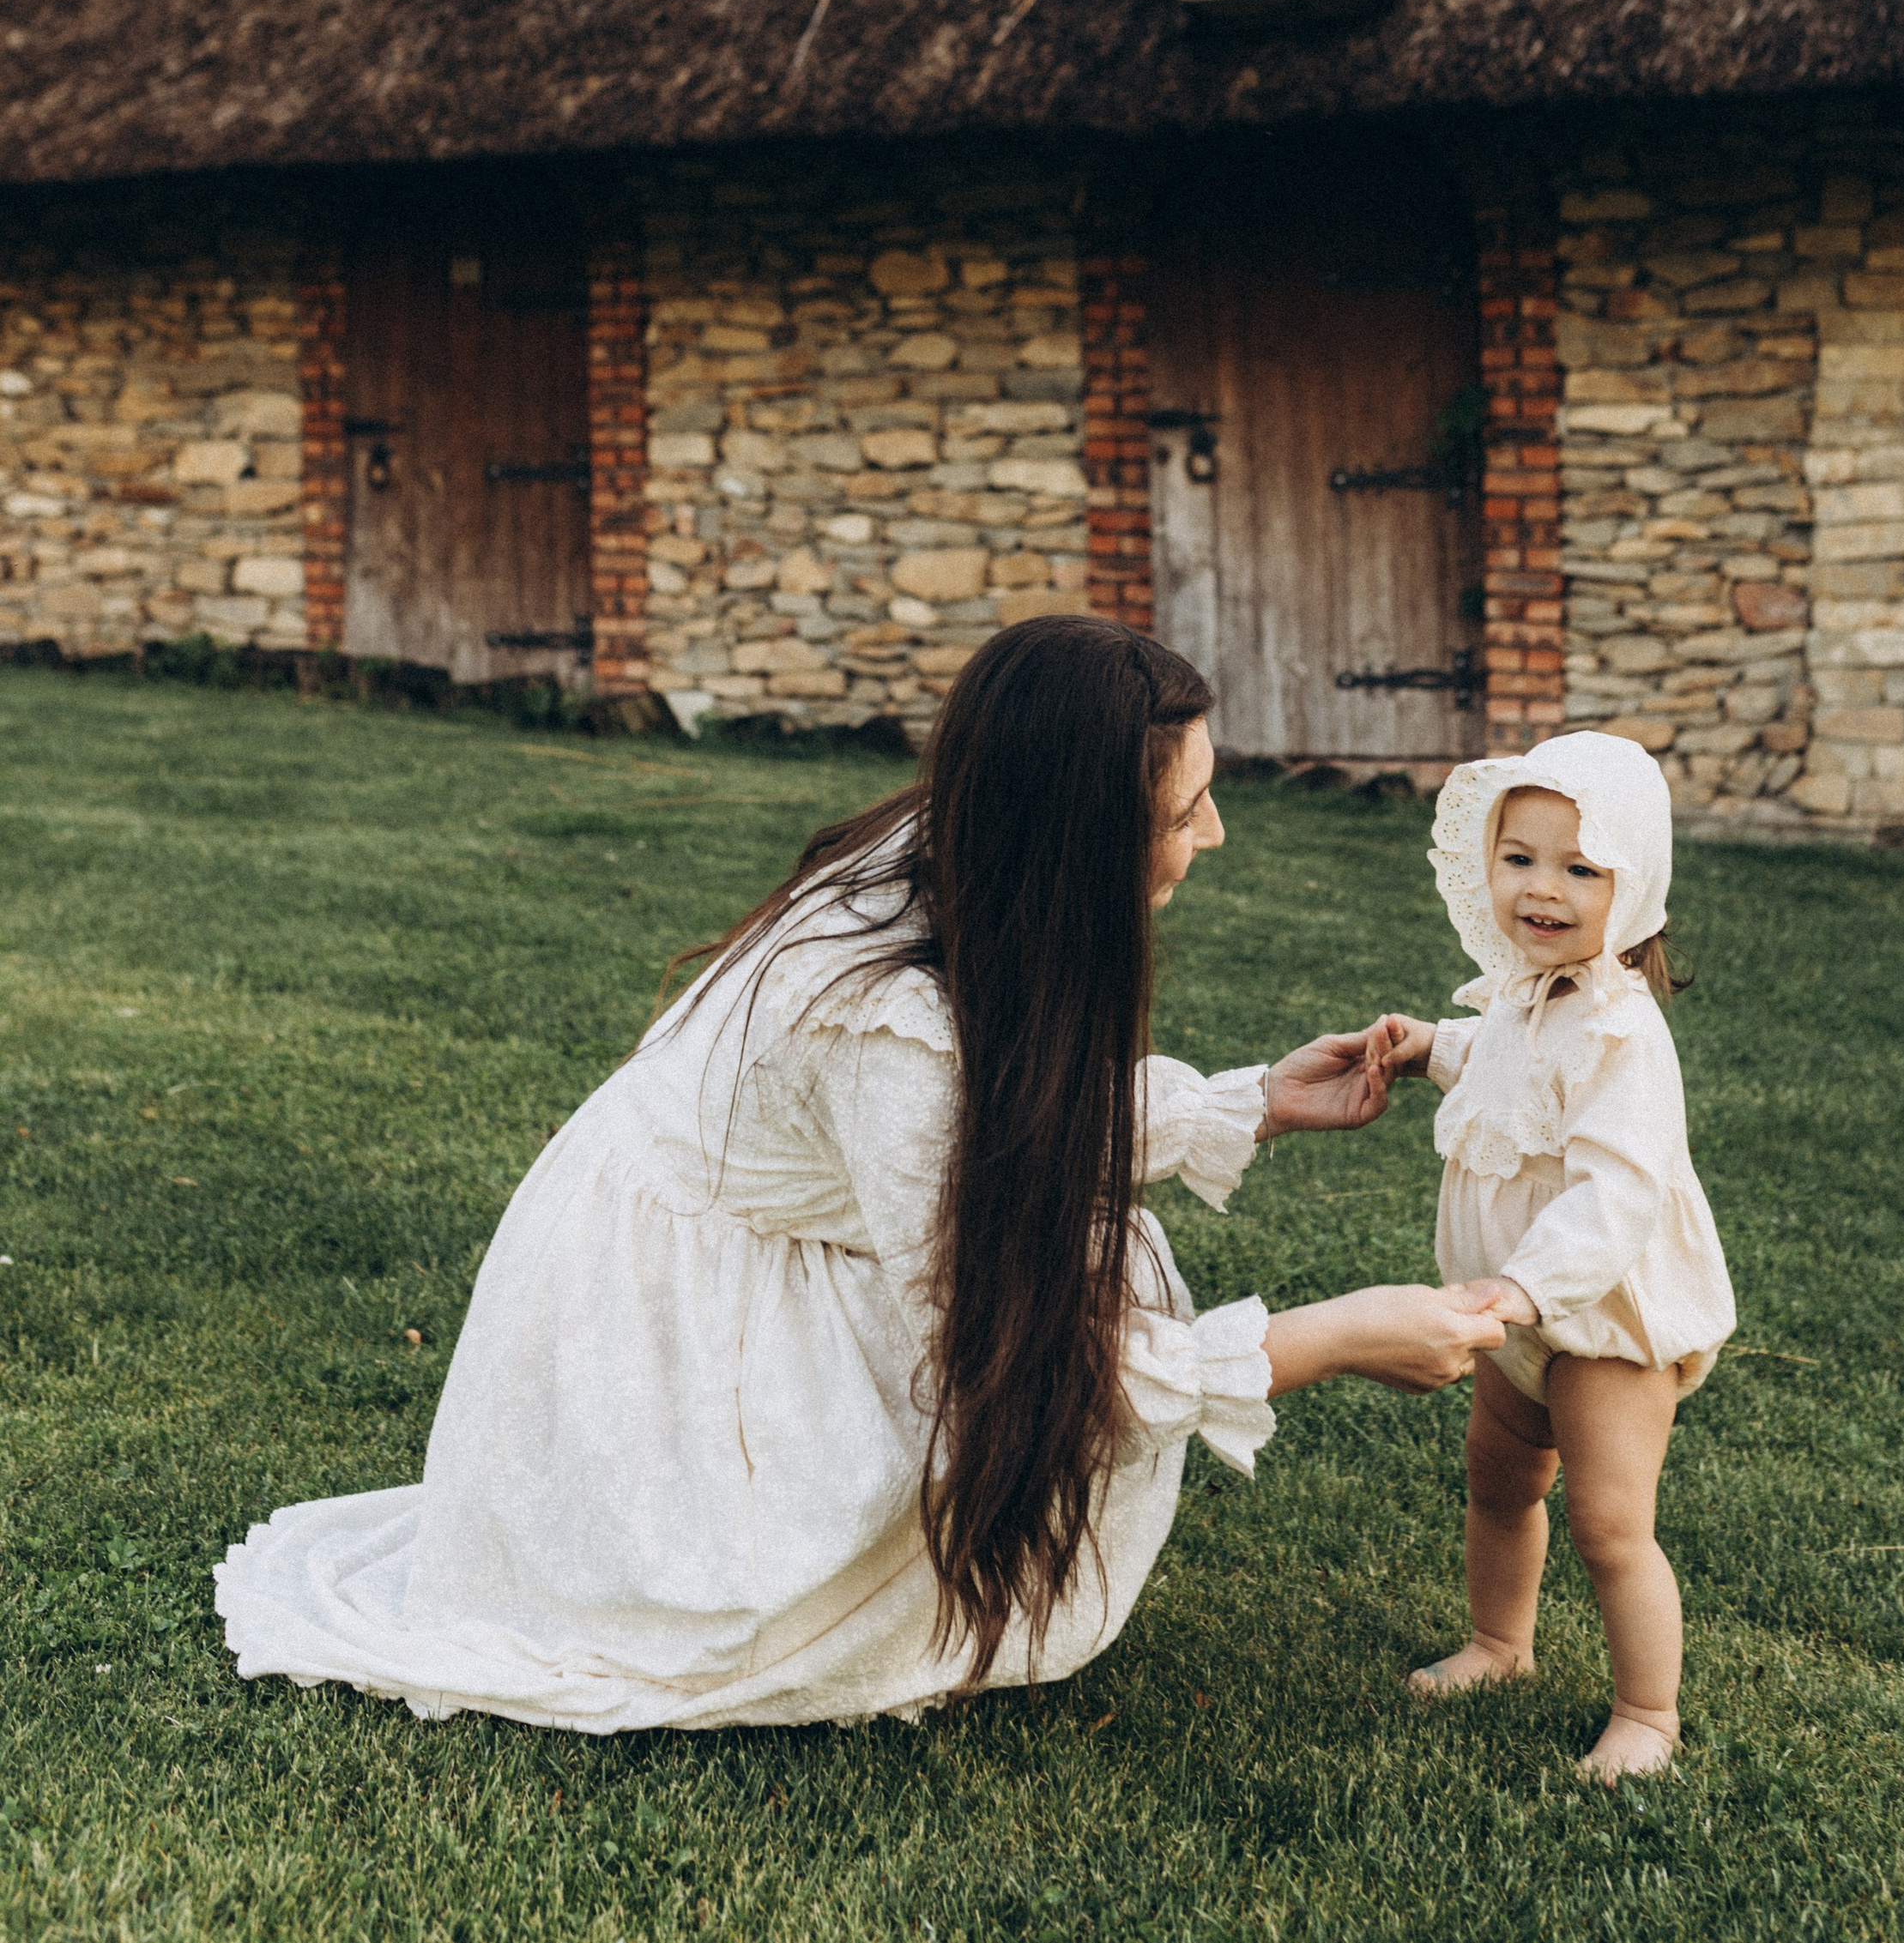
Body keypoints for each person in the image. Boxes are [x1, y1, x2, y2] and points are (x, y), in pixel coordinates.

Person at [217, 616, 1502, 1731]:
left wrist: (1248, 1104)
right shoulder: (886, 1027)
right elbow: (1015, 1348)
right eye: (1182, 810)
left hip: (785, 1219)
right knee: (1058, 1330)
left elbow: (1002, 1120)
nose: (1213, 833)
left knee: (1102, 1264)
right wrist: (1322, 1340)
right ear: (1075, 831)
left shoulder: (959, 856)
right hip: (661, 1308)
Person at [1365, 729, 1734, 1783]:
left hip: (1604, 1323)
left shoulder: (1623, 1036)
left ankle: (1646, 1714)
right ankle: (1499, 1642)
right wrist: (1427, 1046)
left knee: (1609, 1522)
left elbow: (1617, 1191)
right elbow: (1502, 1073)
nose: (1543, 888)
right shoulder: (1522, 998)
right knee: (1498, 1481)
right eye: (1520, 857)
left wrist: (1526, 1287)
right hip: (1514, 1317)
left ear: (1635, 885)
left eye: (1580, 868)